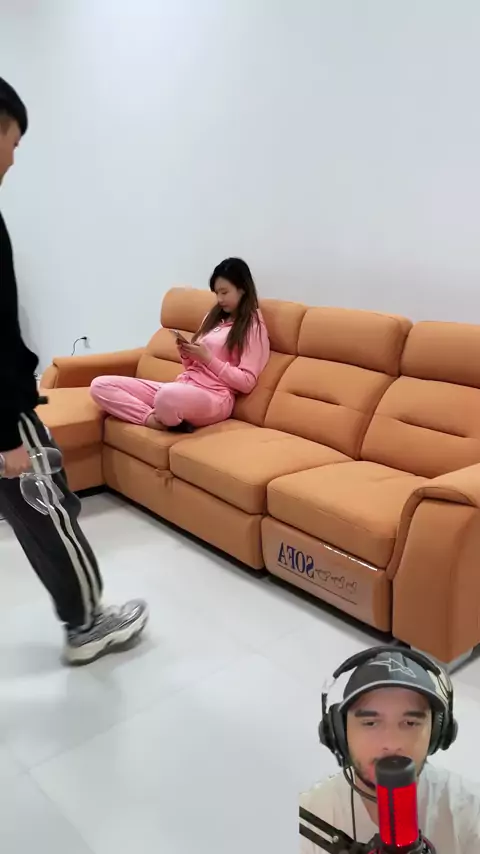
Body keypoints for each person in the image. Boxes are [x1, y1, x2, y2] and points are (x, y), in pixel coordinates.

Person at [0, 76, 148, 665]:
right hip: (4, 410)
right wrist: (8, 433)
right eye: (12, 141)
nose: (13, 158)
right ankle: (87, 623)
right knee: (48, 507)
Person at [300, 646, 480, 853]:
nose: (392, 744)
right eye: (370, 723)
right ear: (338, 733)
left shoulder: (470, 810)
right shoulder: (310, 816)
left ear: (437, 733)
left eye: (410, 723)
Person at [90, 257, 270, 432]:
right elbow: (192, 368)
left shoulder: (253, 326)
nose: (220, 299)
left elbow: (247, 382)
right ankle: (151, 419)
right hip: (184, 387)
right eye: (216, 293)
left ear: (242, 289)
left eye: (224, 292)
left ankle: (165, 413)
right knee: (100, 385)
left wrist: (208, 358)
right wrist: (187, 354)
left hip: (215, 397)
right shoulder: (213, 317)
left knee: (166, 396)